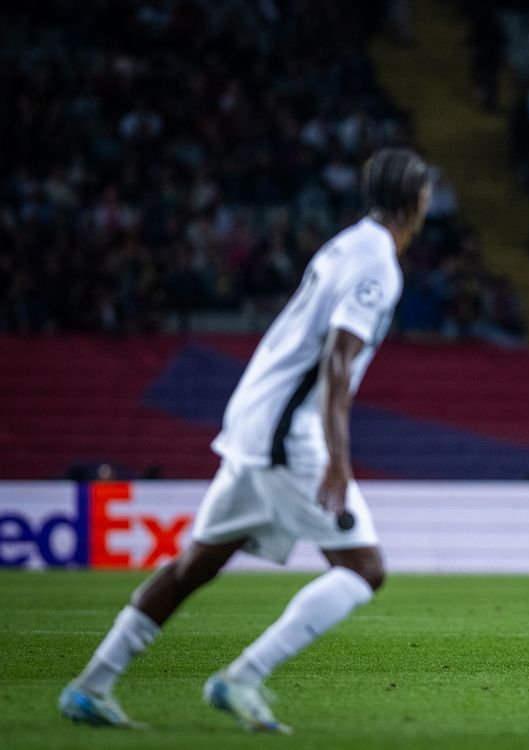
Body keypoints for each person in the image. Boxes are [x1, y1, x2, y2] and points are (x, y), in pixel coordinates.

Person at [58, 147, 432, 732]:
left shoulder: (347, 243)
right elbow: (337, 360)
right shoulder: (379, 263)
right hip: (290, 433)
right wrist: (338, 457)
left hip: (254, 419)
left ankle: (91, 686)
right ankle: (243, 677)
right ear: (419, 200)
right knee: (363, 568)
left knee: (196, 564)